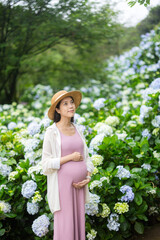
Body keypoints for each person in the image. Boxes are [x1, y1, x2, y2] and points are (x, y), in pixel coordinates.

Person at [41, 90, 94, 240]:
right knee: (66, 226)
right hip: (62, 188)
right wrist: (69, 157)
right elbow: (45, 165)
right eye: (65, 104)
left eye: (71, 102)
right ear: (57, 110)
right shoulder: (51, 132)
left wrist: (88, 178)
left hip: (80, 187)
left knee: (78, 224)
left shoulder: (78, 129)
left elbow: (87, 158)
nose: (71, 106)